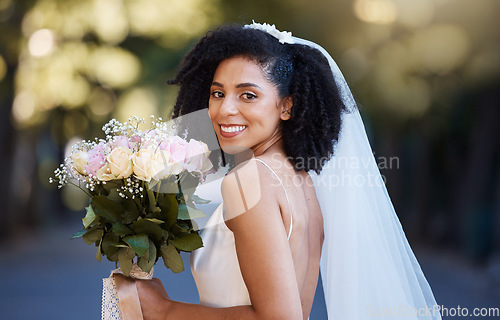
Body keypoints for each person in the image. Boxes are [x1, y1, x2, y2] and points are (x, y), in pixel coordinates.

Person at [132, 22, 442, 320]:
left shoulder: (249, 179)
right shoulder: (303, 182)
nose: (225, 109)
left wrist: (164, 311)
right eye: (217, 93)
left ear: (286, 107)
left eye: (248, 95)